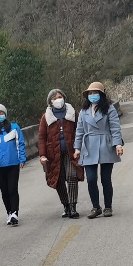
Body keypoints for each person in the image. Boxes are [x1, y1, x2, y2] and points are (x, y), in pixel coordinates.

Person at [74, 82, 124, 218]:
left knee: (105, 178)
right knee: (91, 179)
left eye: (95, 93)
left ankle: (108, 206)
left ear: (101, 94)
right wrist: (77, 148)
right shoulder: (84, 111)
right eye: (90, 93)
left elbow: (115, 127)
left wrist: (118, 144)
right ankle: (96, 207)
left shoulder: (109, 109)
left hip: (106, 144)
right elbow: (79, 130)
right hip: (88, 146)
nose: (92, 95)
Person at [0, 103, 27, 226]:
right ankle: (9, 212)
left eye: (1, 113)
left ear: (5, 114)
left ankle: (15, 213)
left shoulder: (14, 128)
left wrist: (22, 159)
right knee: (4, 191)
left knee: (12, 189)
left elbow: (20, 144)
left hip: (13, 163)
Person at [39, 89, 80, 219]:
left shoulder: (72, 113)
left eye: (60, 97)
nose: (58, 100)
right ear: (50, 102)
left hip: (70, 151)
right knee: (59, 180)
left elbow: (79, 130)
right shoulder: (46, 117)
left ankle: (73, 206)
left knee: (72, 176)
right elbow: (42, 137)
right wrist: (42, 155)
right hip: (53, 154)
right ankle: (66, 205)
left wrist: (79, 147)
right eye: (54, 98)